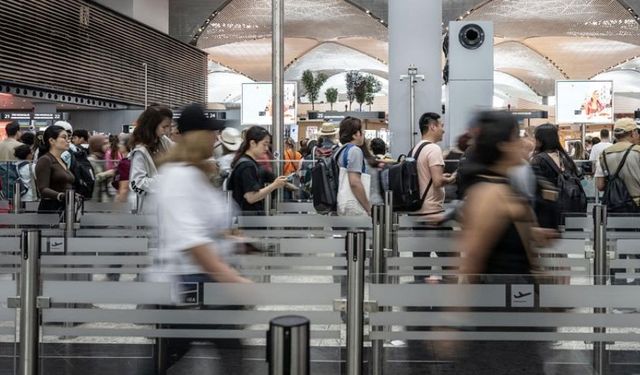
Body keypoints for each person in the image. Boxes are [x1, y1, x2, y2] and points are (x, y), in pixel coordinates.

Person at [455, 110, 554, 373]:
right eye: (516, 137)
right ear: (502, 145)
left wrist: (532, 235)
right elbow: (472, 257)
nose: (522, 143)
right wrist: (451, 319)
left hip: (513, 296)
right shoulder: (489, 193)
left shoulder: (503, 185)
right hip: (502, 297)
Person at [154, 103, 250, 371]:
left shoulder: (196, 174)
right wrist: (232, 279)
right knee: (227, 351)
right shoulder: (179, 178)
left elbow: (204, 226)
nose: (216, 138)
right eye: (211, 133)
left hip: (202, 283)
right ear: (197, 136)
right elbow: (192, 242)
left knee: (179, 352)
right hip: (191, 285)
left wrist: (234, 240)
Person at [530, 124, 586, 227]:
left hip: (550, 214)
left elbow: (536, 190)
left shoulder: (538, 160)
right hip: (572, 211)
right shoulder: (565, 157)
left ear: (540, 139)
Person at [228, 126, 287, 214]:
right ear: (252, 143)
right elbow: (251, 197)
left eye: (268, 145)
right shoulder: (247, 166)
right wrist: (274, 185)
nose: (266, 149)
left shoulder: (249, 162)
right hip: (248, 219)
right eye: (264, 144)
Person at [129, 106, 173, 212]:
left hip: (166, 207)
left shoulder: (163, 141)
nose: (167, 131)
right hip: (150, 210)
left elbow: (181, 152)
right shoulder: (140, 151)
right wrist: (167, 179)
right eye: (164, 127)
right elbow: (137, 183)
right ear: (152, 125)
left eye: (169, 127)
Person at [595, 118, 640, 211]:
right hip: (636, 206)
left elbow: (600, 185)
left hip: (613, 206)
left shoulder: (604, 154)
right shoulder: (638, 151)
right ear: (632, 133)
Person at [415, 112, 455, 216]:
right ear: (432, 127)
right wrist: (453, 177)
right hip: (431, 210)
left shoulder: (416, 148)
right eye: (441, 126)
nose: (443, 130)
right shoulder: (434, 149)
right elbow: (438, 182)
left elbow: (424, 176)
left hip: (418, 207)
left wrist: (440, 176)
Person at [35, 125, 75, 213]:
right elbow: (42, 188)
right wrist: (61, 195)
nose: (68, 140)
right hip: (51, 209)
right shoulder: (45, 160)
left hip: (64, 207)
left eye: (68, 137)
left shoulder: (62, 160)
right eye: (64, 137)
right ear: (52, 140)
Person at [336, 117, 370, 216]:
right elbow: (355, 182)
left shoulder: (340, 150)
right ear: (355, 134)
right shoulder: (355, 151)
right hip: (353, 206)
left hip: (342, 204)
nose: (363, 135)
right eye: (362, 132)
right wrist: (368, 208)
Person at [87, 134, 115, 202]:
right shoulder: (91, 161)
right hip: (94, 199)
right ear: (97, 145)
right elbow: (92, 179)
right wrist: (108, 173)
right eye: (105, 143)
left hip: (101, 199)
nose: (108, 146)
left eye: (108, 143)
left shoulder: (101, 159)